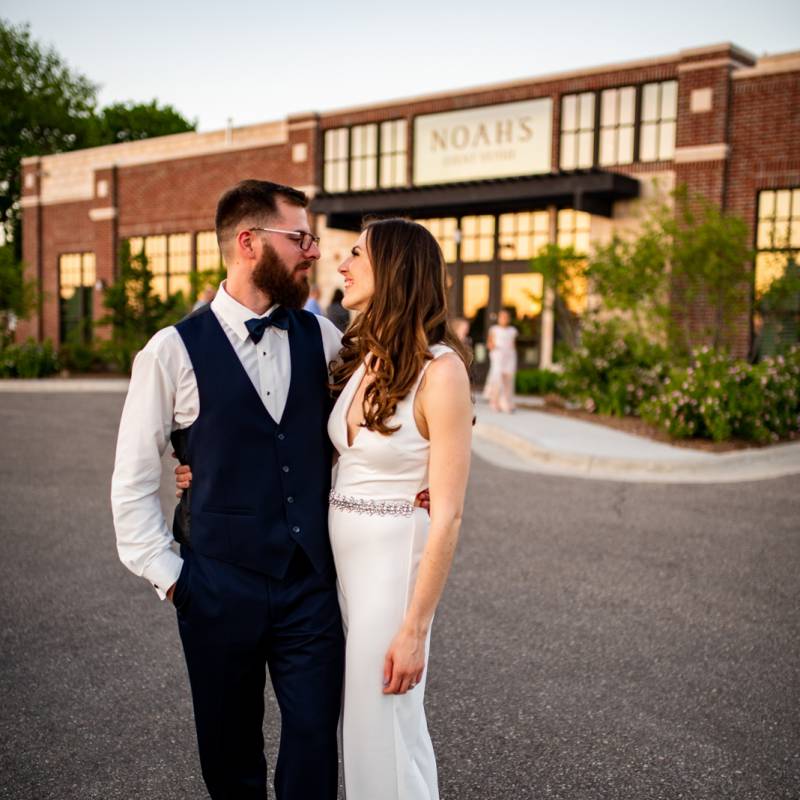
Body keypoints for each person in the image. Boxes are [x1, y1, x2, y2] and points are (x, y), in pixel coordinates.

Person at [177, 218, 474, 799]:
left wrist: (414, 629)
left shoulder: (442, 372)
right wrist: (195, 467)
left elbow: (450, 516)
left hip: (392, 576)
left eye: (356, 254)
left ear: (393, 268)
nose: (340, 265)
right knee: (359, 730)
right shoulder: (357, 357)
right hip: (339, 579)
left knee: (384, 727)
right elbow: (290, 445)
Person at [111, 179, 346, 800]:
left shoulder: (322, 338)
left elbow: (370, 424)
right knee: (229, 756)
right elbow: (132, 482)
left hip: (309, 586)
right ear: (248, 243)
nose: (313, 252)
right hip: (217, 586)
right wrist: (174, 577)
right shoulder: (169, 352)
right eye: (299, 238)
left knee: (317, 746)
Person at [483, 308, 518, 412]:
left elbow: (513, 344)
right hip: (498, 355)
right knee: (497, 378)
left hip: (509, 356)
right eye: (502, 317)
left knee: (508, 379)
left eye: (506, 317)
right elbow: (489, 344)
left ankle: (507, 401)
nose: (504, 319)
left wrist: (510, 353)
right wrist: (496, 349)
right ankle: (494, 402)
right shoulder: (494, 329)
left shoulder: (512, 331)